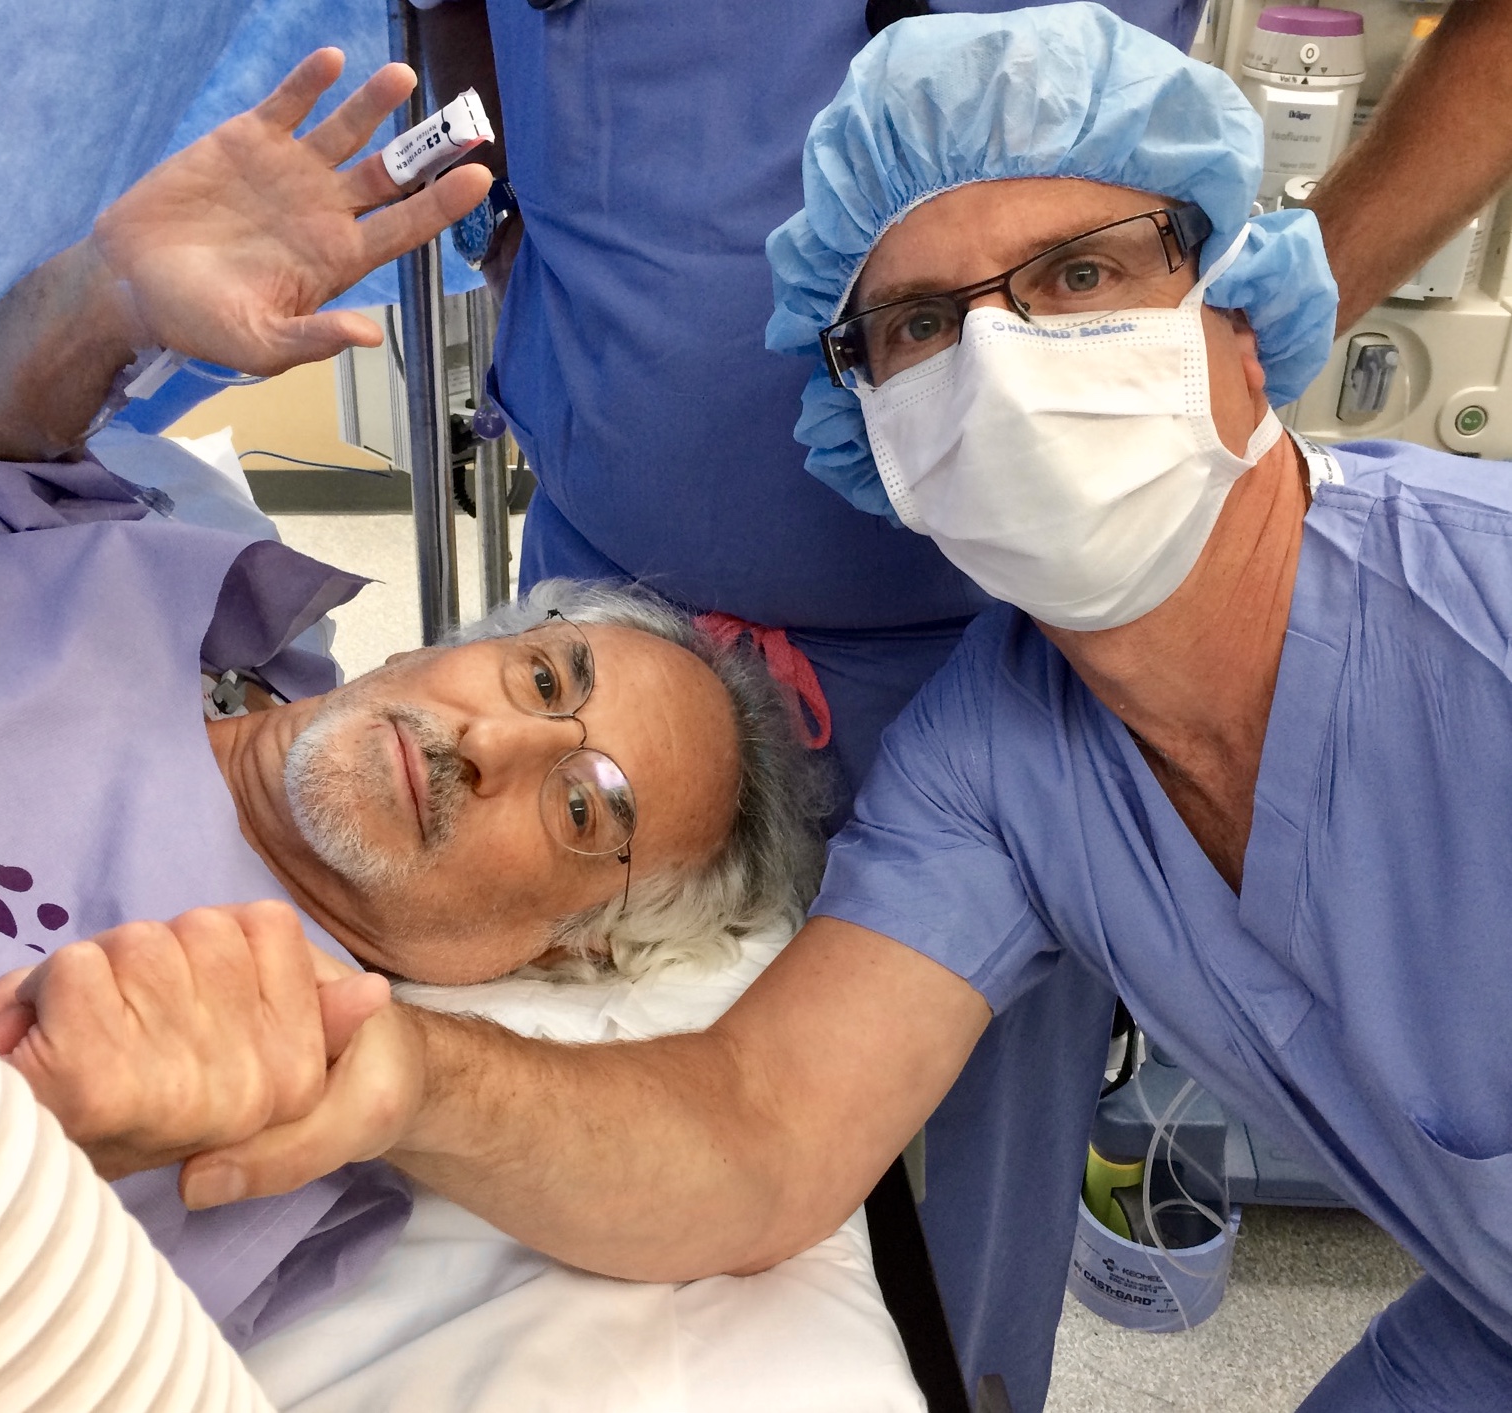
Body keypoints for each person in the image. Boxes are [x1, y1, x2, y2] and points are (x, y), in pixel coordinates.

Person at [99, 9, 1512, 1409]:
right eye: (922, 329)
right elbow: (762, 1132)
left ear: (1243, 316)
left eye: (1083, 275)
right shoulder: (1002, 761)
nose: (1010, 373)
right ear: (875, 440)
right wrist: (402, 1065)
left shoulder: (1477, 612)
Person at [0, 52, 822, 1351]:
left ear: (559, 947)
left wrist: (37, 1123)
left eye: (582, 805)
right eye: (546, 679)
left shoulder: (244, 1073)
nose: (498, 741)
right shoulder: (174, 575)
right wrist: (105, 300)